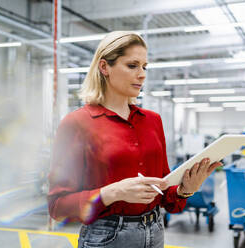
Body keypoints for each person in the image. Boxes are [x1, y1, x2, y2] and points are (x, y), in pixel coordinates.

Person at [47, 31, 222, 248]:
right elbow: (58, 207)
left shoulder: (152, 121)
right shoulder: (77, 123)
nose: (142, 75)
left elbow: (165, 192)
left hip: (155, 231)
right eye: (132, 65)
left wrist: (185, 189)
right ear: (104, 67)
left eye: (144, 67)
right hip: (106, 237)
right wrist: (112, 192)